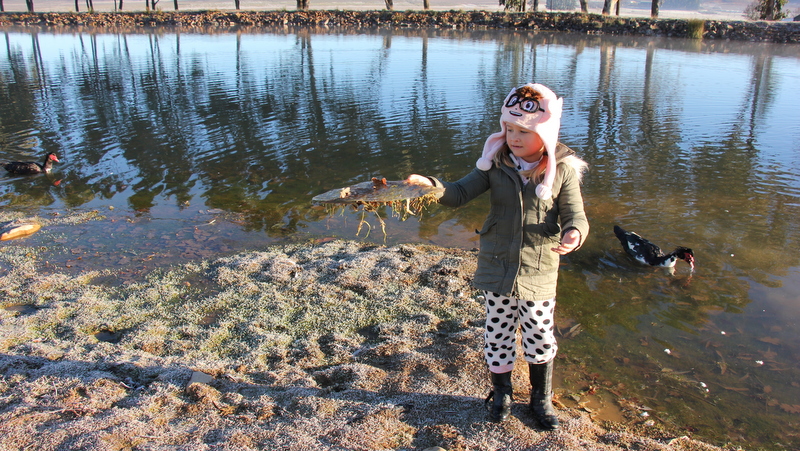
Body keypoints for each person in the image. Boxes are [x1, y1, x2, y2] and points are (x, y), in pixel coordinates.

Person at [407, 83, 589, 430]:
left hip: (539, 266)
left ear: (545, 134)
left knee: (539, 332)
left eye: (524, 131)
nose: (514, 137)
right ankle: (502, 392)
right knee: (498, 330)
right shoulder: (495, 164)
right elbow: (459, 193)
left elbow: (575, 215)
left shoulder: (563, 170)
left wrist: (575, 233)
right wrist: (430, 186)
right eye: (509, 129)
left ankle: (540, 398)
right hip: (496, 263)